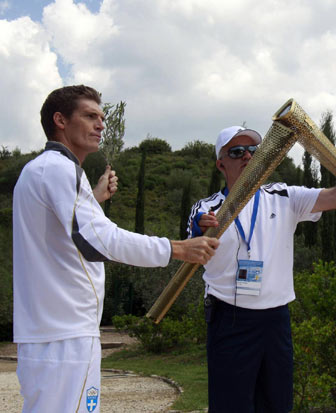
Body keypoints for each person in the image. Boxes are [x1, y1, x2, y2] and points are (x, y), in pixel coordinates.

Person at [12, 85, 220, 413]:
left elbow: (61, 235)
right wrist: (177, 248)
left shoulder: (41, 170)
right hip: (66, 335)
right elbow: (100, 240)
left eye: (102, 118)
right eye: (90, 115)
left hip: (51, 333)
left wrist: (93, 200)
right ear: (60, 120)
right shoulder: (59, 169)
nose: (100, 124)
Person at [187, 125, 336, 412]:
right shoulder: (207, 208)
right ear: (221, 163)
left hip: (275, 319)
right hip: (229, 318)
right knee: (230, 405)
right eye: (236, 152)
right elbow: (191, 252)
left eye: (253, 150)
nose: (247, 156)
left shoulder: (284, 196)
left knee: (276, 403)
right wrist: (202, 230)